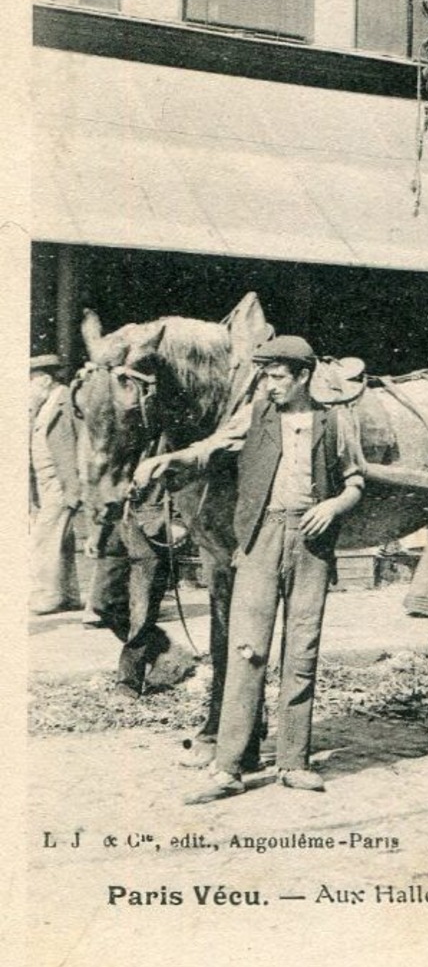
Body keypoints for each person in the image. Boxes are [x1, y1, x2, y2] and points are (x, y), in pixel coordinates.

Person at [134, 335, 365, 802]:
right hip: (259, 540)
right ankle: (230, 767)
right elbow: (212, 446)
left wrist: (335, 508)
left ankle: (293, 762)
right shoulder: (257, 414)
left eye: (279, 377)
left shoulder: (333, 421)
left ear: (303, 377)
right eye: (266, 376)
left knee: (302, 648)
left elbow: (356, 479)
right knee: (247, 649)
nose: (270, 384)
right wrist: (167, 459)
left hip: (311, 543)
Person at [29, 353, 83, 615]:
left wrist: (76, 486)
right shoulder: (44, 403)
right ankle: (69, 594)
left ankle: (48, 595)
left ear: (44, 379)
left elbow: (82, 443)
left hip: (61, 483)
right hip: (46, 483)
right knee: (62, 539)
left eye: (30, 381)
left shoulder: (66, 400)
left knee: (45, 538)